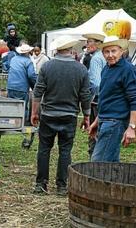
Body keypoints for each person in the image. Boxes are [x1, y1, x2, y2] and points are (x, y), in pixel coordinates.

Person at [31, 36, 91, 195]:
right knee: (65, 151)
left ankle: (41, 185)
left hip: (48, 114)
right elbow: (85, 95)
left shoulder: (47, 67)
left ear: (57, 50)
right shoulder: (81, 69)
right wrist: (87, 115)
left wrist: (34, 113)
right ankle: (62, 186)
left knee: (44, 149)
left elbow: (38, 92)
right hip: (69, 115)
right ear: (71, 50)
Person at [88, 36, 136, 162]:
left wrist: (131, 127)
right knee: (111, 164)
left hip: (115, 122)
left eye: (114, 51)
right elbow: (106, 98)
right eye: (107, 52)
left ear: (121, 51)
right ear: (102, 53)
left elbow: (135, 100)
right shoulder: (106, 69)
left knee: (98, 164)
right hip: (105, 120)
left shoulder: (128, 70)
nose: (110, 55)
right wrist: (97, 120)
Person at [83, 33, 106, 158]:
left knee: (94, 130)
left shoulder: (96, 58)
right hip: (105, 99)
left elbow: (96, 84)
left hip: (97, 100)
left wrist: (91, 97)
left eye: (89, 41)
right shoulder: (103, 56)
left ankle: (94, 157)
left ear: (98, 43)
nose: (87, 44)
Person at [6, 44, 36, 122]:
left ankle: (10, 123)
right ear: (28, 52)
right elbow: (31, 75)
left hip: (10, 86)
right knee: (23, 107)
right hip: (21, 88)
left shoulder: (13, 59)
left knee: (11, 106)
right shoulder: (28, 62)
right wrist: (34, 87)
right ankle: (22, 124)